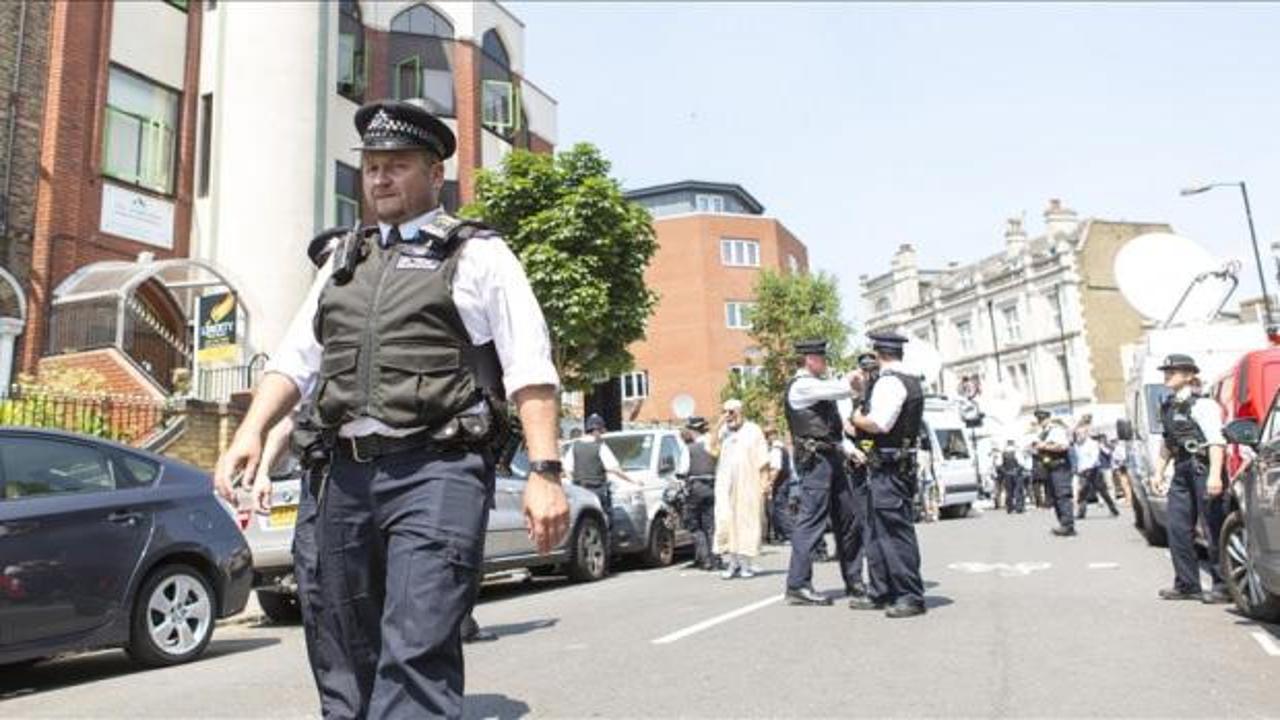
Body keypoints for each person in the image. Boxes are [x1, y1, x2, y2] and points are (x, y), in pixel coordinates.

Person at [212, 99, 569, 719]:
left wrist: (545, 473)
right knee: (341, 646)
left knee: (416, 640)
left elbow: (530, 370)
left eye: (396, 165)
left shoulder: (478, 255)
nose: (379, 178)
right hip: (343, 476)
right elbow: (297, 360)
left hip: (437, 470)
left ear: (436, 175)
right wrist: (251, 429)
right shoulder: (341, 262)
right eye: (372, 166)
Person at [849, 331, 927, 618]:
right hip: (892, 465)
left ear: (878, 354)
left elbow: (878, 423)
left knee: (894, 532)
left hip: (890, 467)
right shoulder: (910, 380)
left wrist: (856, 417)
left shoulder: (890, 382)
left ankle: (908, 594)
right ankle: (882, 590)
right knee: (878, 530)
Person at [782, 339, 865, 606]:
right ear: (809, 360)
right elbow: (840, 390)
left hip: (831, 456)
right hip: (815, 461)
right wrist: (853, 378)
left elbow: (830, 429)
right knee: (812, 521)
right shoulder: (802, 386)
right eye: (822, 358)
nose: (825, 362)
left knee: (849, 518)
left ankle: (854, 580)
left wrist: (848, 449)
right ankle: (798, 584)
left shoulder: (817, 388)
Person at [1149, 354, 1230, 604]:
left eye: (1173, 372)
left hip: (1202, 467)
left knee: (1212, 526)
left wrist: (1215, 475)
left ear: (1189, 376)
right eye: (1166, 371)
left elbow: (1217, 442)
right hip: (1182, 468)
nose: (1167, 375)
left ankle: (1223, 586)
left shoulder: (1203, 405)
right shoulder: (1169, 406)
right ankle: (1187, 584)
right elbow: (1167, 442)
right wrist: (1159, 471)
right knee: (1177, 528)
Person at [710, 398, 771, 579]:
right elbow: (712, 450)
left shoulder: (753, 430)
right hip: (725, 483)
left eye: (732, 412)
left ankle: (746, 564)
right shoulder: (723, 432)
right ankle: (732, 563)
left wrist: (765, 483)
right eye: (725, 411)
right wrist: (718, 425)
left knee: (746, 522)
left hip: (748, 483)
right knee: (725, 521)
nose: (729, 416)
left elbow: (763, 459)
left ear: (740, 411)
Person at [564, 413, 637, 523]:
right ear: (597, 430)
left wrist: (574, 482)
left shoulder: (575, 446)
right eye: (601, 431)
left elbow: (567, 469)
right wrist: (633, 481)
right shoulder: (600, 446)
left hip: (579, 492)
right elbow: (615, 469)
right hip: (597, 491)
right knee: (605, 522)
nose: (602, 434)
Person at [678, 416, 719, 571]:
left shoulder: (690, 449)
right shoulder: (714, 445)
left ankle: (705, 559)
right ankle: (715, 558)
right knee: (710, 525)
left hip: (696, 488)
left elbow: (682, 471)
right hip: (713, 486)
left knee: (694, 524)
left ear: (693, 430)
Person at [1032, 409, 1075, 536]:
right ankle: (1063, 523)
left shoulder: (1056, 430)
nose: (1041, 422)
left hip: (1059, 466)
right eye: (1039, 420)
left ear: (1049, 418)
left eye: (1043, 419)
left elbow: (1063, 446)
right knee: (1055, 497)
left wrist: (1044, 446)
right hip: (1049, 467)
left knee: (1062, 496)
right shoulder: (1042, 433)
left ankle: (1068, 525)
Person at [1075, 432, 1119, 519]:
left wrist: (1089, 467)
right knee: (1083, 492)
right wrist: (1079, 469)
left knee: (1103, 491)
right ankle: (1081, 512)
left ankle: (1113, 509)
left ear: (1086, 434)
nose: (1079, 436)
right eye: (1077, 435)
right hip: (1083, 471)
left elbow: (1095, 457)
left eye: (1080, 434)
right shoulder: (1077, 445)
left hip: (1094, 470)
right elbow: (1079, 458)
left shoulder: (1092, 444)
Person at [765, 426, 795, 544]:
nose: (767, 437)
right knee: (781, 507)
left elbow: (776, 468)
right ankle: (785, 534)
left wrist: (770, 482)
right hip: (785, 481)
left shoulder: (776, 448)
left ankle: (789, 535)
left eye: (768, 435)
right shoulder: (781, 447)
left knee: (780, 508)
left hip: (781, 482)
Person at [996, 438, 1028, 514]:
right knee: (1018, 491)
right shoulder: (1017, 451)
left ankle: (1010, 508)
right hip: (1017, 473)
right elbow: (1022, 463)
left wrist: (1005, 472)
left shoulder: (1003, 453)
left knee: (1009, 492)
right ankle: (1019, 507)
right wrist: (1018, 470)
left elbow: (999, 464)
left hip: (1007, 474)